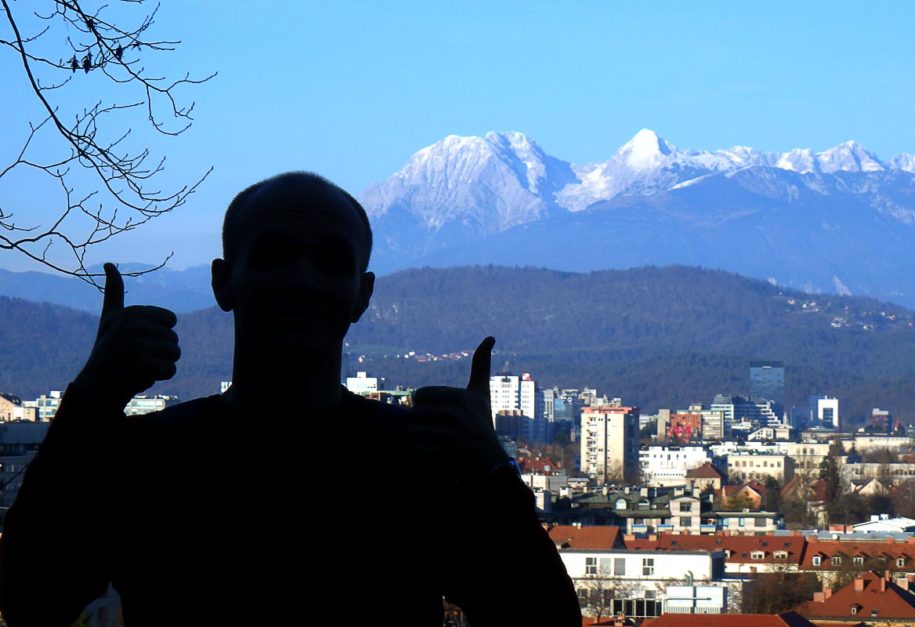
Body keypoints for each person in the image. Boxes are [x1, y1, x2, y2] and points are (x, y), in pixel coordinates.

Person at [0, 172, 581, 626]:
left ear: (363, 294)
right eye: (277, 254)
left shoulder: (149, 452)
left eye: (330, 261)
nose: (302, 279)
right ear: (223, 282)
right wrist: (92, 404)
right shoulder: (140, 460)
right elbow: (28, 600)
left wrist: (490, 477)